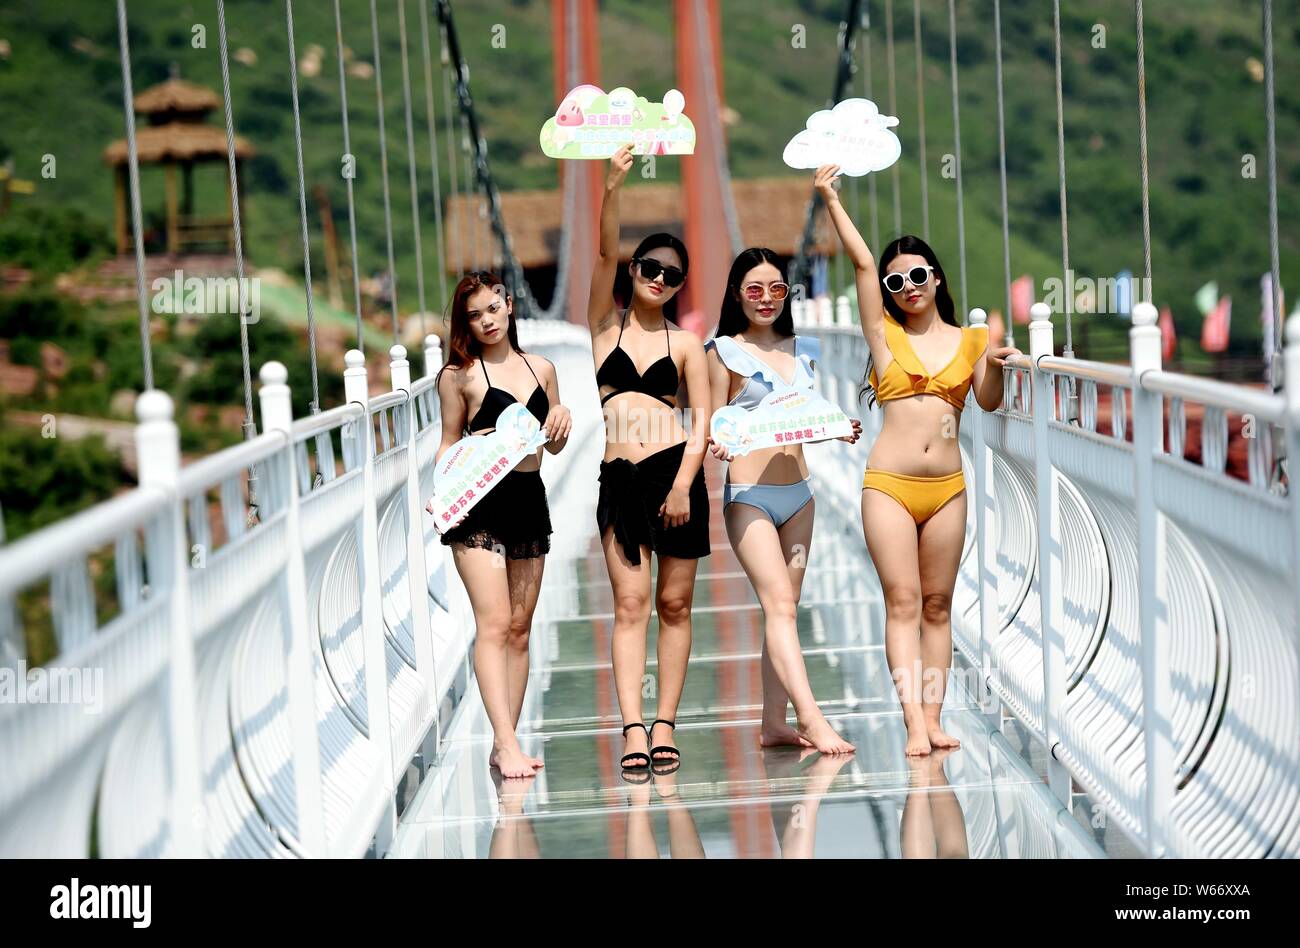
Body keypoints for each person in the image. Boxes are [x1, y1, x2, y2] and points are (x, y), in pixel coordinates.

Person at [815, 163, 1019, 757]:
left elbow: (986, 400)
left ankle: (934, 717)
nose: (908, 287)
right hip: (889, 489)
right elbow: (858, 264)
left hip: (949, 488)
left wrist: (1000, 368)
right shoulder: (883, 335)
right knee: (902, 601)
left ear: (937, 277)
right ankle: (911, 722)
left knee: (937, 604)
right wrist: (830, 197)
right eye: (896, 281)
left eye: (918, 275)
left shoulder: (972, 341)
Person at [705, 247, 861, 754]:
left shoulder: (806, 348)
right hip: (749, 496)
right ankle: (812, 719)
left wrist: (836, 429)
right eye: (754, 290)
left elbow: (801, 419)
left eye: (777, 289)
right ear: (736, 294)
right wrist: (716, 442)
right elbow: (710, 422)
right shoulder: (722, 351)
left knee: (785, 608)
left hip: (800, 495)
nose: (767, 299)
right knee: (778, 605)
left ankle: (774, 722)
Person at [588, 144, 711, 773]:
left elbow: (703, 420)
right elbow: (603, 251)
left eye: (672, 273)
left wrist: (686, 484)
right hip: (620, 479)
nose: (659, 277)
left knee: (675, 606)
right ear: (633, 269)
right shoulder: (601, 328)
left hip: (675, 474)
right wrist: (613, 186)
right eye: (650, 266)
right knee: (630, 604)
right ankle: (632, 727)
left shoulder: (687, 343)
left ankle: (666, 723)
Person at [432, 271, 572, 779]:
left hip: (528, 498)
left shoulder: (544, 369)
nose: (486, 320)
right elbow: (449, 441)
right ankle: (508, 744)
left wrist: (560, 424)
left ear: (509, 306)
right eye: (474, 314)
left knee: (518, 629)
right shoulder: (458, 376)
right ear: (464, 322)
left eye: (493, 308)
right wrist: (443, 493)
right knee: (492, 623)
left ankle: (503, 741)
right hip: (478, 502)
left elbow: (550, 448)